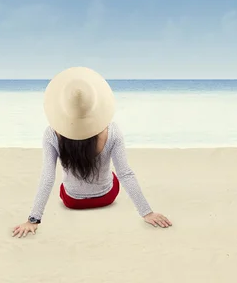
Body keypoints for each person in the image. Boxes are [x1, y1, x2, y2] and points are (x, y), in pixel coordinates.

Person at [12, 67, 172, 238]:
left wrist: (33, 219)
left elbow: (47, 177)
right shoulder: (112, 132)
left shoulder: (51, 134)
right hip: (107, 197)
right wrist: (147, 212)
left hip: (71, 201)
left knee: (64, 184)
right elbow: (125, 174)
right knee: (114, 174)